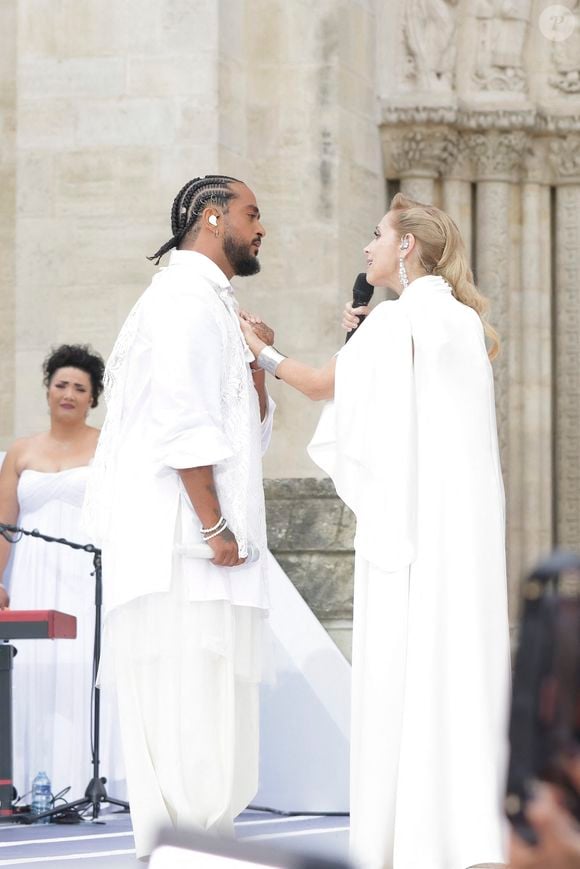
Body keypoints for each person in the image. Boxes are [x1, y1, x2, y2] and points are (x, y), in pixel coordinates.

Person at [240, 193, 511, 869]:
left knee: (406, 662)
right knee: (452, 662)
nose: (367, 248)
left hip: (411, 531)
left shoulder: (400, 320)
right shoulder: (462, 321)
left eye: (376, 235)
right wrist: (364, 339)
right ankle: (459, 828)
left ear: (407, 246)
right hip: (462, 530)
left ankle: (407, 836)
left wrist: (261, 351)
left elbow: (321, 384)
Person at [83, 174, 274, 859]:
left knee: (214, 706)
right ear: (212, 217)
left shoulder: (215, 305)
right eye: (252, 214)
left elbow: (242, 436)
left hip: (205, 544)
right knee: (186, 703)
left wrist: (255, 363)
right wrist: (215, 526)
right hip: (180, 547)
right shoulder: (182, 300)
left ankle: (203, 844)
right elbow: (180, 421)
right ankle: (189, 848)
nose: (261, 228)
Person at [0, 344, 125, 803]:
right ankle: (30, 777)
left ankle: (88, 775)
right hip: (32, 571)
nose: (68, 393)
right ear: (48, 389)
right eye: (61, 384)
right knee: (30, 668)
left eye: (80, 387)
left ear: (93, 398)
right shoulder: (20, 450)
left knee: (83, 667)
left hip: (87, 570)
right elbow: (4, 525)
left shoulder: (109, 445)